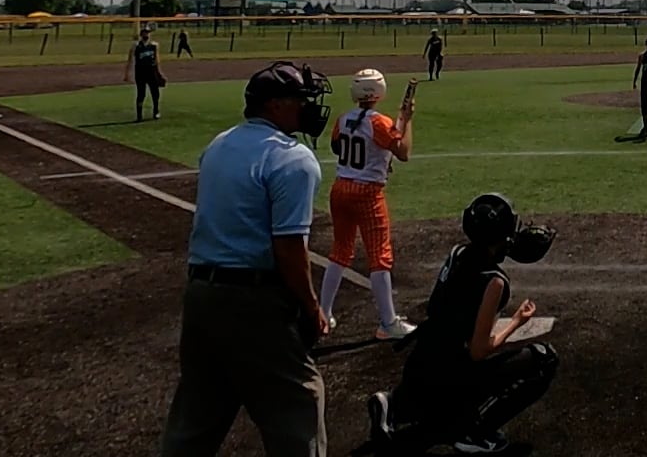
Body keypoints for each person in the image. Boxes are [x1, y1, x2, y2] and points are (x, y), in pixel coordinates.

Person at [160, 62, 335, 457]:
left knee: (198, 413)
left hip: (201, 296)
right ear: (275, 105)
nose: (307, 107)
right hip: (252, 302)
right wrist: (311, 308)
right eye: (300, 100)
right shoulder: (293, 159)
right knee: (298, 404)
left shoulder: (219, 144)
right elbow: (289, 248)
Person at [367, 193, 559, 455]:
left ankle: (393, 404)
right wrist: (516, 322)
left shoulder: (457, 252)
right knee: (543, 359)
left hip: (419, 365)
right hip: (450, 378)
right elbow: (479, 351)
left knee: (439, 365)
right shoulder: (495, 282)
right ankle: (473, 432)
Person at [320, 69, 417, 340]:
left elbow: (339, 148)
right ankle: (388, 322)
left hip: (341, 187)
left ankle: (323, 312)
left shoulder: (343, 119)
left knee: (340, 251)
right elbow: (403, 152)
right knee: (379, 255)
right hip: (368, 192)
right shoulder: (380, 122)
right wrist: (407, 120)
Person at [133, 24, 166, 122]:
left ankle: (156, 111)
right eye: (144, 33)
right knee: (141, 94)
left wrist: (159, 73)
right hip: (140, 72)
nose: (146, 35)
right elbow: (131, 60)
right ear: (141, 34)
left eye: (147, 33)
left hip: (152, 71)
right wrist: (126, 74)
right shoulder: (136, 46)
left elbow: (157, 60)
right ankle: (139, 115)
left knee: (155, 92)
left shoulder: (154, 45)